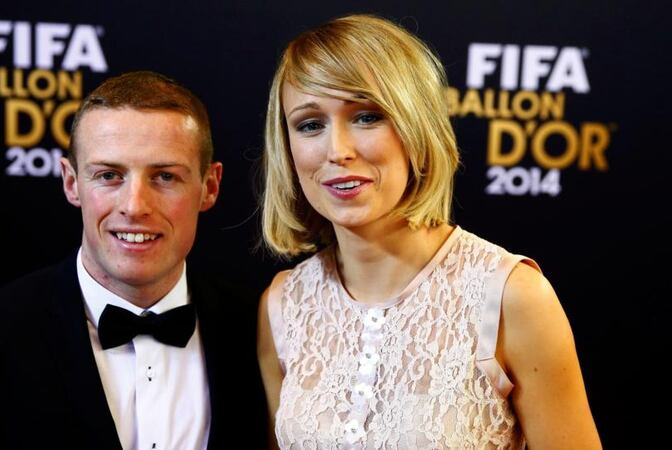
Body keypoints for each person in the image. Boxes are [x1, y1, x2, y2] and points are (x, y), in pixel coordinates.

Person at [256, 15, 601, 450]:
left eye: (366, 116)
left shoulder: (513, 296)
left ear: (416, 127)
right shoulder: (283, 305)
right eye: (310, 125)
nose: (337, 150)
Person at [0, 71, 267, 450]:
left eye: (164, 176)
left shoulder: (262, 329)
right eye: (109, 175)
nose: (134, 206)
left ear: (209, 187)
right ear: (71, 182)